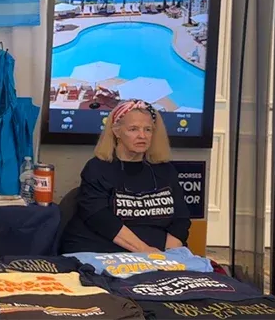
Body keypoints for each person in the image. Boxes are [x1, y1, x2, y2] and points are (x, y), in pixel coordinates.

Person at [60, 99, 191, 254]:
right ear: (117, 132)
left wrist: (169, 255)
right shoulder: (97, 168)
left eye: (148, 129)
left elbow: (181, 220)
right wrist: (145, 251)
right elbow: (99, 218)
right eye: (133, 129)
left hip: (158, 255)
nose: (142, 136)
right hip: (102, 250)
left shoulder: (166, 170)